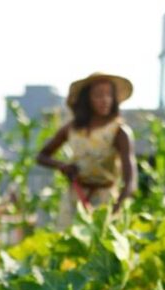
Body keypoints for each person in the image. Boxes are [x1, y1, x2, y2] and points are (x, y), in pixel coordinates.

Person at [37, 72, 138, 225]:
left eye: (109, 95)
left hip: (105, 200)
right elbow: (42, 156)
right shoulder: (72, 129)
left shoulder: (119, 132)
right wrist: (62, 166)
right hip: (75, 197)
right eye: (98, 95)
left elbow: (130, 179)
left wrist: (118, 206)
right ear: (86, 99)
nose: (105, 100)